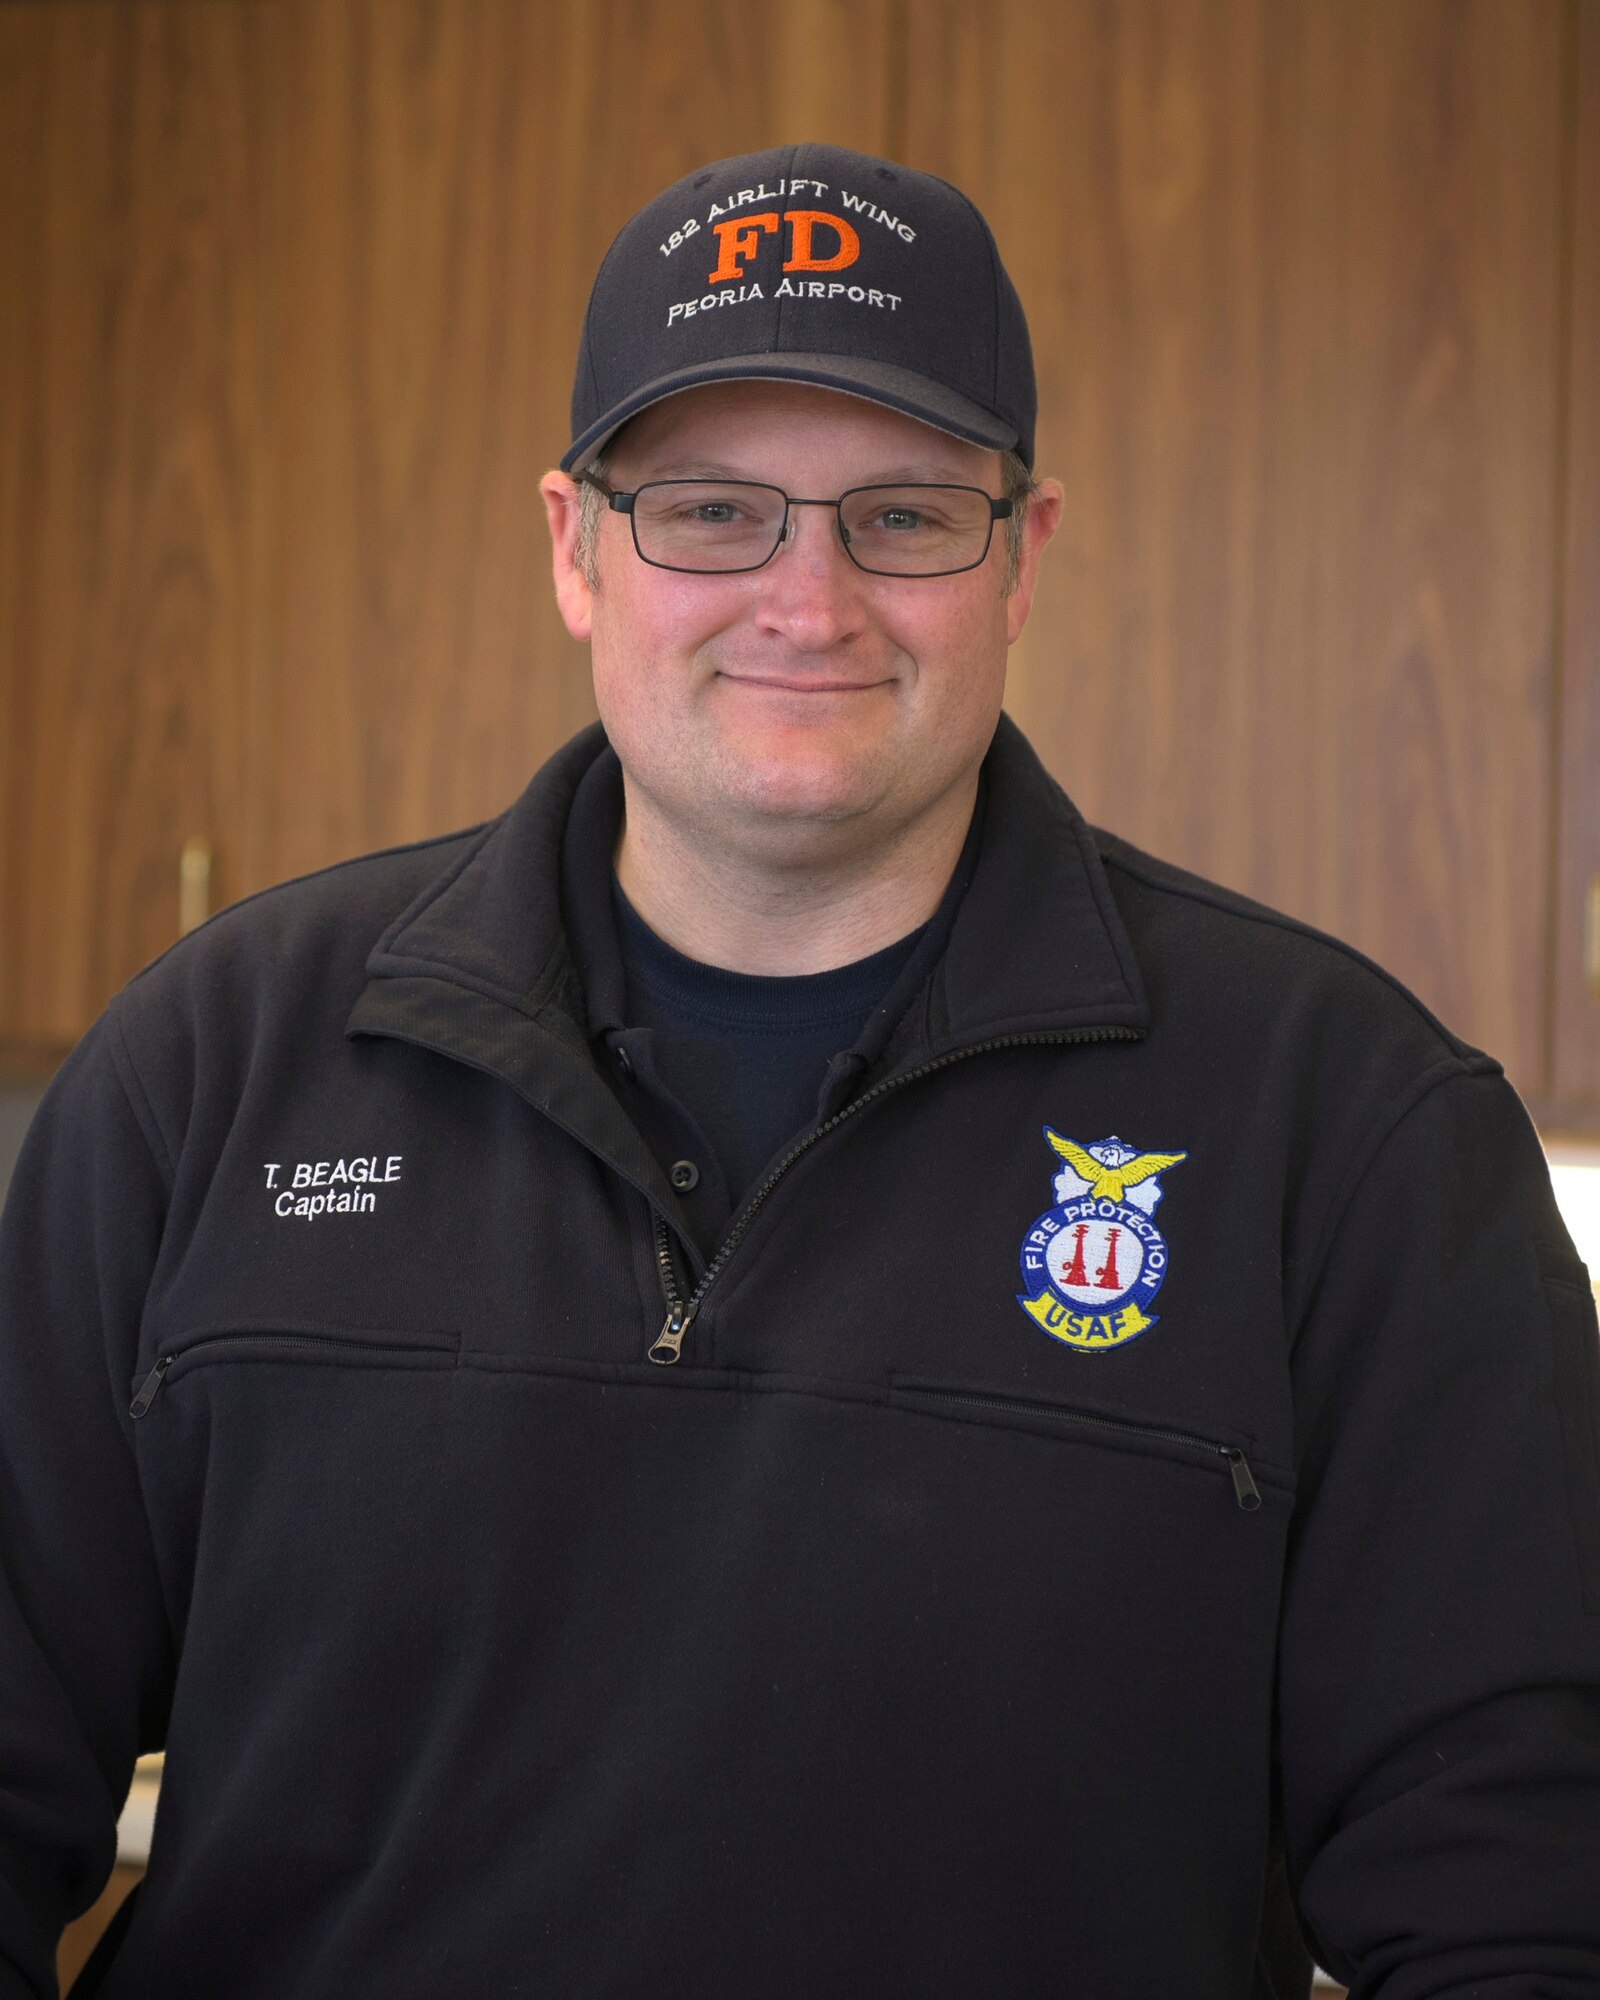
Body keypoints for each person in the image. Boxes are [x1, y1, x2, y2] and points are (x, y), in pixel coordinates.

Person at [2, 141, 1597, 2000]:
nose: (808, 602)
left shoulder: (1356, 1138)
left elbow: (1523, 1902)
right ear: (574, 547)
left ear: (1025, 557)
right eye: (708, 511)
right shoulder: (212, 1068)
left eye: (906, 515)